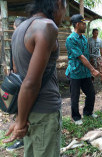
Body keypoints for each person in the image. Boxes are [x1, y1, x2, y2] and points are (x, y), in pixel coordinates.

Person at [3, 1, 66, 157]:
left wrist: (21, 117)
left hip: (27, 109)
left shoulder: (20, 29)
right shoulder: (47, 27)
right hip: (45, 111)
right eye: (65, 8)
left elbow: (18, 75)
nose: (64, 15)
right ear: (58, 3)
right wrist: (20, 123)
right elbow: (30, 83)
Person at [65, 14, 102, 125]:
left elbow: (87, 55)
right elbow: (81, 56)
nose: (85, 25)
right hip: (75, 72)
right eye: (83, 23)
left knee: (91, 93)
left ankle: (88, 112)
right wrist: (93, 70)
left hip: (85, 72)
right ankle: (76, 117)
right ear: (77, 24)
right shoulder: (71, 39)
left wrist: (95, 64)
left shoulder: (84, 38)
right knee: (75, 97)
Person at [6, 16, 27, 152]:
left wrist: (14, 77)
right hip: (23, 79)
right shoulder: (27, 37)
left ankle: (20, 139)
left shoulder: (17, 38)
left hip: (20, 80)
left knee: (20, 109)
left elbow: (15, 62)